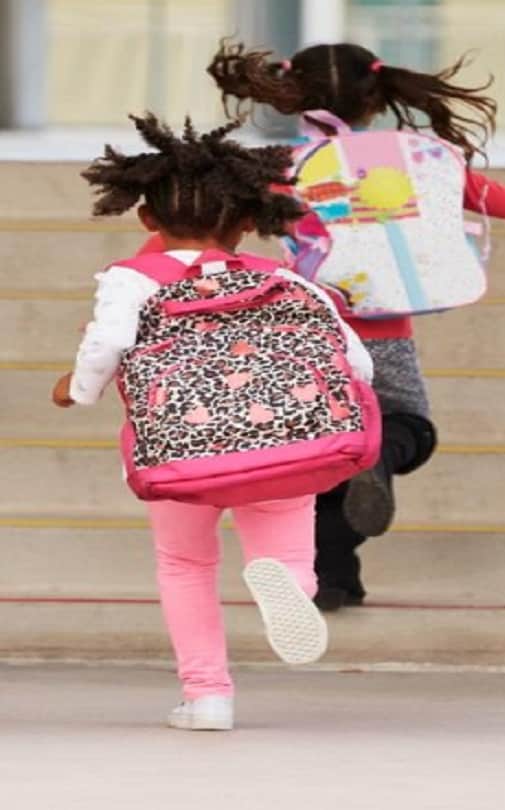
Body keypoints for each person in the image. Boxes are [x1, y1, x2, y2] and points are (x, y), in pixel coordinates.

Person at [208, 41, 505, 610]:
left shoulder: (280, 169)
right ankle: (381, 458)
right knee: (408, 426)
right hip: (386, 332)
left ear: (292, 96)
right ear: (376, 98)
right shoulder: (421, 157)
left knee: (321, 453)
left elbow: (217, 228)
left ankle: (331, 579)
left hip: (306, 331)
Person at [52, 114, 374, 731]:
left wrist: (80, 389)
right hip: (284, 445)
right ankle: (289, 587)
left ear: (147, 219)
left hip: (180, 449)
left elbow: (109, 340)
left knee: (186, 564)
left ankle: (206, 697)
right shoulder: (281, 279)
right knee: (285, 552)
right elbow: (353, 362)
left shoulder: (133, 277)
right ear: (250, 221)